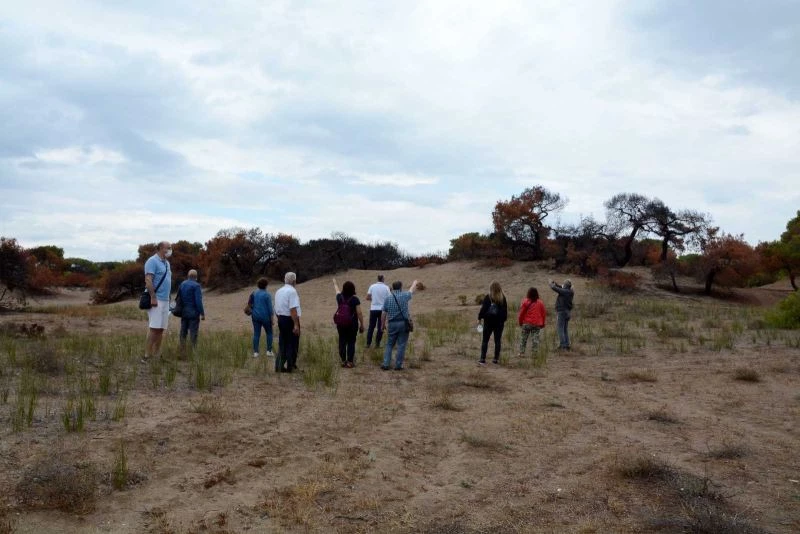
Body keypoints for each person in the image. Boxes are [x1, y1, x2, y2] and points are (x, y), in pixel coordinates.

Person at [380, 279, 419, 371]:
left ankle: (386, 364)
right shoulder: (405, 295)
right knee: (401, 345)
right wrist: (414, 283)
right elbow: (411, 291)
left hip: (392, 323)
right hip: (403, 323)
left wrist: (382, 325)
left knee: (389, 344)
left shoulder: (388, 298)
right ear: (401, 287)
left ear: (393, 288)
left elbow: (384, 313)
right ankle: (398, 365)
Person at [143, 241, 172, 362]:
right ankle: (146, 356)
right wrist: (153, 297)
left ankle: (157, 355)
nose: (170, 249)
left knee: (161, 328)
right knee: (154, 328)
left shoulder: (166, 263)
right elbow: (148, 280)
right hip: (156, 299)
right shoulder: (152, 261)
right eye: (168, 247)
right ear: (161, 248)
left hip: (165, 300)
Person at [332, 278, 365, 368]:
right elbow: (359, 313)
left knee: (342, 341)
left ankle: (343, 361)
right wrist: (362, 324)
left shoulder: (339, 297)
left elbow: (337, 290)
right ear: (353, 289)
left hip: (341, 324)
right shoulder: (355, 299)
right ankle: (350, 362)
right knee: (351, 342)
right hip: (352, 324)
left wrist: (335, 282)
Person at [274, 272, 301, 372]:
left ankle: (279, 366)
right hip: (290, 319)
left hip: (281, 318)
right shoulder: (292, 292)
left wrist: (279, 319)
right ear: (294, 281)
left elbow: (275, 307)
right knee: (292, 343)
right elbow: (293, 309)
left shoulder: (279, 291)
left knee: (283, 343)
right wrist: (296, 324)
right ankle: (291, 366)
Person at [477, 281, 508, 365]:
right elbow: (505, 313)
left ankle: (482, 359)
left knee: (485, 340)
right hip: (499, 323)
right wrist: (503, 320)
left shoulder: (488, 297)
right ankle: (496, 359)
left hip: (488, 322)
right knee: (497, 341)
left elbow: (483, 309)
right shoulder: (503, 298)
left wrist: (479, 318)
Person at [177, 269, 205, 354]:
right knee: (193, 333)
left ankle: (182, 350)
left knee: (183, 332)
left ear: (188, 276)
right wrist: (202, 313)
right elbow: (198, 301)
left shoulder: (182, 284)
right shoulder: (196, 286)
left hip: (184, 312)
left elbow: (178, 298)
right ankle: (193, 351)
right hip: (193, 313)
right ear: (196, 277)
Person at [249, 277, 275, 359]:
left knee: (256, 334)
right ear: (266, 285)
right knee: (269, 333)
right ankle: (269, 351)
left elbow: (250, 304)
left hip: (255, 316)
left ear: (258, 285)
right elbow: (270, 309)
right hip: (265, 317)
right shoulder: (267, 295)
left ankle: (256, 352)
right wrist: (272, 319)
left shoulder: (254, 293)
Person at [517, 287, 546, 357]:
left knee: (523, 338)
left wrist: (520, 322)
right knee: (535, 339)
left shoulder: (525, 302)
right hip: (536, 324)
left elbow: (521, 313)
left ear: (528, 293)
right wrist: (543, 323)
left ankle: (521, 353)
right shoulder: (540, 303)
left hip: (526, 323)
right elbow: (543, 314)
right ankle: (534, 354)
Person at [365, 274, 390, 349]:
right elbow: (389, 298)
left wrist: (374, 300)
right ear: (383, 279)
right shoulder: (386, 287)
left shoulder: (372, 286)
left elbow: (367, 297)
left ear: (377, 279)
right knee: (381, 327)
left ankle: (368, 344)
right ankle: (377, 344)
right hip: (382, 310)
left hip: (373, 309)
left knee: (371, 327)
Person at [549, 279, 574, 350]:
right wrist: (555, 283)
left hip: (562, 312)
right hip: (567, 312)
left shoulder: (565, 291)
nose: (563, 285)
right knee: (565, 329)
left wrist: (551, 284)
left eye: (564, 284)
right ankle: (567, 345)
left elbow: (555, 288)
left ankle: (563, 345)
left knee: (560, 329)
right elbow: (560, 287)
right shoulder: (569, 291)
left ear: (566, 285)